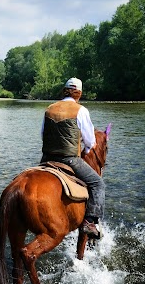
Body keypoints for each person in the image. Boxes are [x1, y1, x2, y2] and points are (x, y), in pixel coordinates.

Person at [41, 77, 105, 239]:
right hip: (69, 159)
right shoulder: (80, 110)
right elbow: (90, 141)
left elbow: (43, 134)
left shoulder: (50, 108)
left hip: (46, 159)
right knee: (98, 184)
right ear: (79, 93)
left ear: (64, 90)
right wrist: (86, 147)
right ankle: (89, 222)